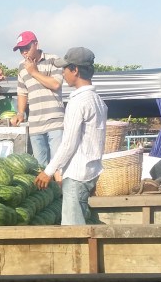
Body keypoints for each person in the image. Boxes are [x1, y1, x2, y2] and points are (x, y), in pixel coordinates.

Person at [34, 47, 107, 225]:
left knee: (73, 230)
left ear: (75, 70)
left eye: (65, 68)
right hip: (90, 172)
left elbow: (68, 144)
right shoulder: (98, 100)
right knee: (81, 224)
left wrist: (48, 171)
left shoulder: (78, 101)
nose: (62, 73)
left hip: (77, 174)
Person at [11, 31, 65, 169]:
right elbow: (22, 92)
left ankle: (59, 185)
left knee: (58, 165)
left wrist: (34, 72)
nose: (24, 52)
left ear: (36, 44)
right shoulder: (21, 66)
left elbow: (55, 84)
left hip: (55, 121)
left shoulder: (53, 60)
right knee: (40, 167)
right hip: (35, 123)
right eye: (21, 49)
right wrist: (20, 113)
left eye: (26, 47)